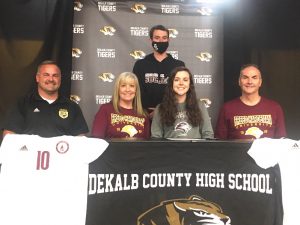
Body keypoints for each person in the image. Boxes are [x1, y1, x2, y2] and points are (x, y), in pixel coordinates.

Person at [2, 60, 88, 137]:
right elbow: (9, 136)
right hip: (30, 154)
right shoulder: (22, 104)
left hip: (61, 154)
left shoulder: (72, 107)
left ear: (60, 79)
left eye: (55, 75)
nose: (51, 79)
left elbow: (80, 139)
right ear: (37, 78)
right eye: (46, 75)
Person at [215, 64, 286, 140]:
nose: (249, 81)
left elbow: (281, 142)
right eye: (245, 77)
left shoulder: (274, 108)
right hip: (236, 152)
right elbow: (220, 144)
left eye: (254, 78)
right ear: (239, 81)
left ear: (260, 82)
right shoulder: (227, 108)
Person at [133, 25, 185, 118]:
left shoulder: (178, 65)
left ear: (168, 40)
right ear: (151, 40)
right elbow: (136, 91)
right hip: (144, 116)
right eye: (157, 38)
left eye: (164, 38)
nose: (161, 41)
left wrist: (161, 110)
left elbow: (181, 93)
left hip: (171, 116)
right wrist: (145, 112)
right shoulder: (140, 64)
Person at [151, 66, 214, 139]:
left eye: (185, 80)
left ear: (190, 84)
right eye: (177, 80)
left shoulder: (200, 106)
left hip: (195, 150)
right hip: (169, 150)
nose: (181, 83)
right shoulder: (160, 108)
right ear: (171, 83)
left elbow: (208, 134)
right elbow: (156, 138)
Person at [92, 72, 150, 139]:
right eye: (123, 86)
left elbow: (146, 145)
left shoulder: (143, 114)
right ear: (117, 89)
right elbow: (97, 140)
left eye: (132, 86)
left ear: (136, 90)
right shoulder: (105, 109)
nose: (127, 90)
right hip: (112, 149)